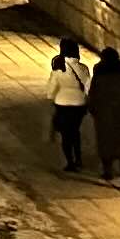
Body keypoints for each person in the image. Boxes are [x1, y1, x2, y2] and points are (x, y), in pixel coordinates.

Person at [87, 27, 120, 185]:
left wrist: (93, 110)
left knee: (105, 144)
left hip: (104, 117)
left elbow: (93, 94)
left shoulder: (99, 74)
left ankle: (108, 171)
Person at [47, 40, 94, 173]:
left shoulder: (58, 68)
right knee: (75, 131)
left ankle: (70, 162)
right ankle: (78, 158)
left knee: (65, 135)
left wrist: (52, 97)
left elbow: (51, 90)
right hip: (79, 104)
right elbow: (88, 87)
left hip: (62, 104)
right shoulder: (83, 68)